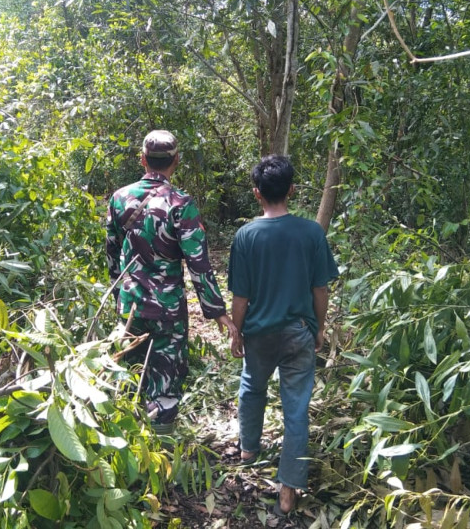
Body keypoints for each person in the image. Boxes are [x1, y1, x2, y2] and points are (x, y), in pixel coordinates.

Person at [227, 155, 339, 515]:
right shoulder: (311, 233)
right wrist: (319, 327)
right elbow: (320, 289)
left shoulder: (246, 236)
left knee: (252, 385)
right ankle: (288, 490)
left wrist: (236, 332)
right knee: (296, 409)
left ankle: (248, 450)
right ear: (291, 189)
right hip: (298, 332)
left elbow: (240, 296)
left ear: (256, 193)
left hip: (259, 333)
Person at [106, 130, 236, 430]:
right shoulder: (181, 203)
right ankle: (162, 450)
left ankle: (132, 453)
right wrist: (217, 312)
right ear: (176, 161)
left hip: (130, 305)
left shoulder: (119, 198)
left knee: (130, 378)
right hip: (167, 310)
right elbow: (198, 263)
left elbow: (111, 251)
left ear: (142, 160)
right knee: (164, 387)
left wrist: (119, 294)